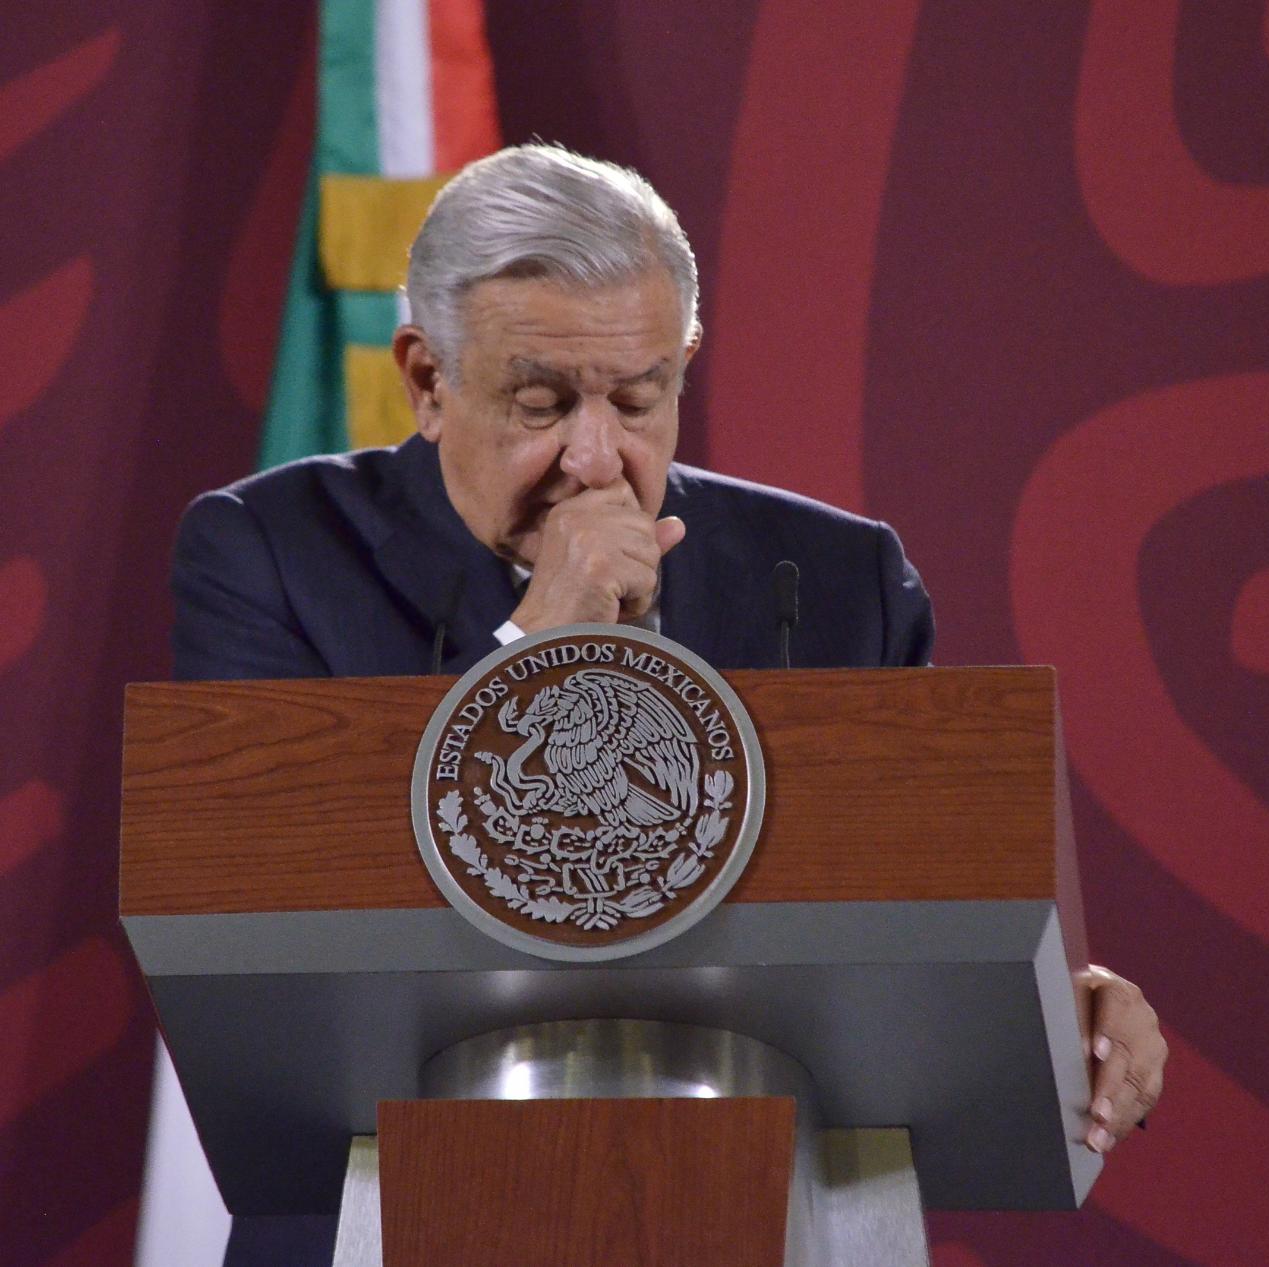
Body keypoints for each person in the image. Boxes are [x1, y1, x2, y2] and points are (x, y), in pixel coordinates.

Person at [172, 143, 1165, 1153]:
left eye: (638, 400)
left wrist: (1057, 1011)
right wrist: (539, 640)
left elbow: (912, 926)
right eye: (541, 403)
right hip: (387, 1187)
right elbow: (265, 916)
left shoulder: (837, 578)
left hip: (768, 1189)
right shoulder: (270, 552)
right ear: (428, 380)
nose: (595, 457)